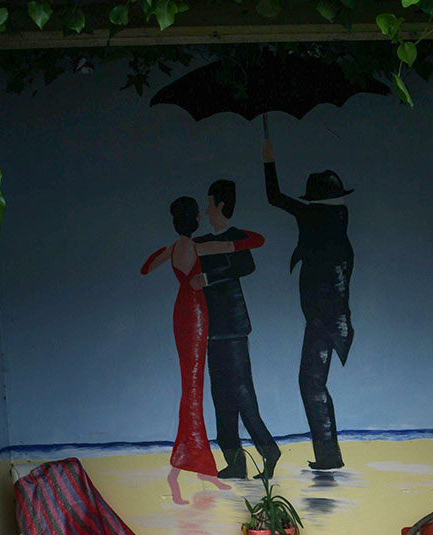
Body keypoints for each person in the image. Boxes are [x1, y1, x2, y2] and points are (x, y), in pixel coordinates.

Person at [141, 196, 264, 502]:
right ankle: (185, 471)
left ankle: (198, 469)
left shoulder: (175, 249)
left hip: (182, 311)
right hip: (197, 314)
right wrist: (225, 238)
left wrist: (169, 252)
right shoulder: (199, 247)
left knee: (191, 391)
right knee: (193, 393)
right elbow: (255, 241)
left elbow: (145, 268)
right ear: (193, 219)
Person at [263, 140, 354, 471]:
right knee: (313, 384)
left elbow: (275, 197)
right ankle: (329, 455)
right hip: (328, 320)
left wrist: (268, 160)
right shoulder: (335, 222)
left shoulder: (320, 219)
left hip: (324, 321)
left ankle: (329, 457)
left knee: (311, 383)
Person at [193, 179, 280, 480]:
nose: (206, 210)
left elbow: (245, 266)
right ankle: (235, 462)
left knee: (243, 394)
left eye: (209, 203)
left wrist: (209, 277)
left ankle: (268, 450)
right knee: (221, 397)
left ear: (220, 205)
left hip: (233, 327)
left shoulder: (235, 238)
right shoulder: (203, 240)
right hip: (213, 328)